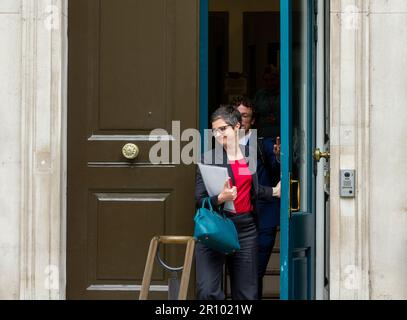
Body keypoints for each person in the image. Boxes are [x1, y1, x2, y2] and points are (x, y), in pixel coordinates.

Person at [195, 106, 281, 300]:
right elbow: (199, 200)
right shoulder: (208, 159)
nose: (218, 134)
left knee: (246, 294)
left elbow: (250, 189)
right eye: (214, 130)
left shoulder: (249, 155)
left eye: (223, 129)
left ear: (237, 127)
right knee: (208, 291)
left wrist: (274, 191)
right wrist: (220, 198)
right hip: (216, 226)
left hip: (245, 229)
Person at [232, 96, 281, 300]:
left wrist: (278, 157)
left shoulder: (265, 145)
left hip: (262, 219)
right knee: (237, 275)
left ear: (252, 121)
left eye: (245, 116)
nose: (240, 119)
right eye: (237, 115)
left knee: (253, 274)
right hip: (233, 220)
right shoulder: (220, 145)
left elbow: (280, 172)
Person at [253, 65, 280, 138]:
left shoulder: (285, 95)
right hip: (262, 135)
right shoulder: (260, 94)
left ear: (279, 79)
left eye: (272, 80)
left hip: (281, 136)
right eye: (266, 80)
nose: (269, 83)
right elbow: (254, 115)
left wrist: (277, 119)